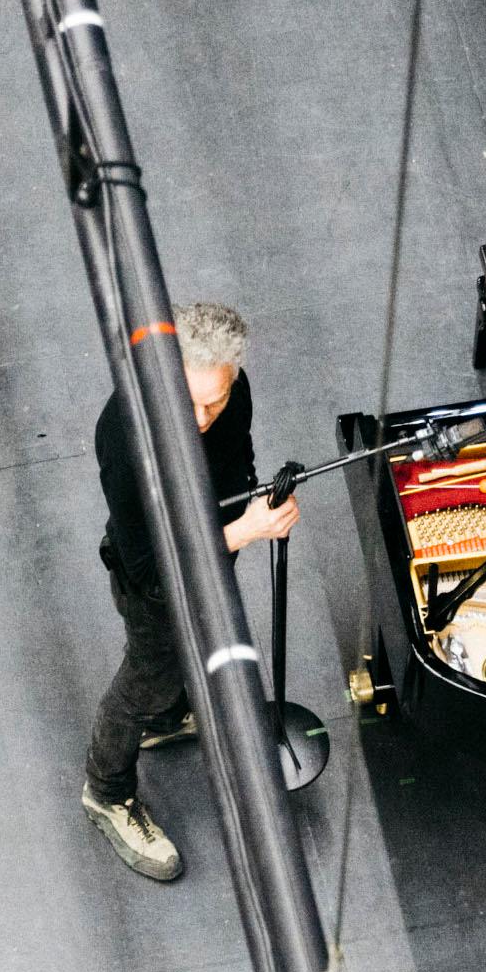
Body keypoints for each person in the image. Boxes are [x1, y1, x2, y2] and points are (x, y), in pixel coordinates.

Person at [80, 301, 297, 881]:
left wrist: (253, 505)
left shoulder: (232, 389)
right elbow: (151, 571)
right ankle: (106, 791)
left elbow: (235, 458)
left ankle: (168, 718)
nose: (201, 418)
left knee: (195, 647)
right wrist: (241, 530)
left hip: (211, 547)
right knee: (145, 678)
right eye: (188, 402)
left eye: (214, 402)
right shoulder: (126, 438)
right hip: (153, 581)